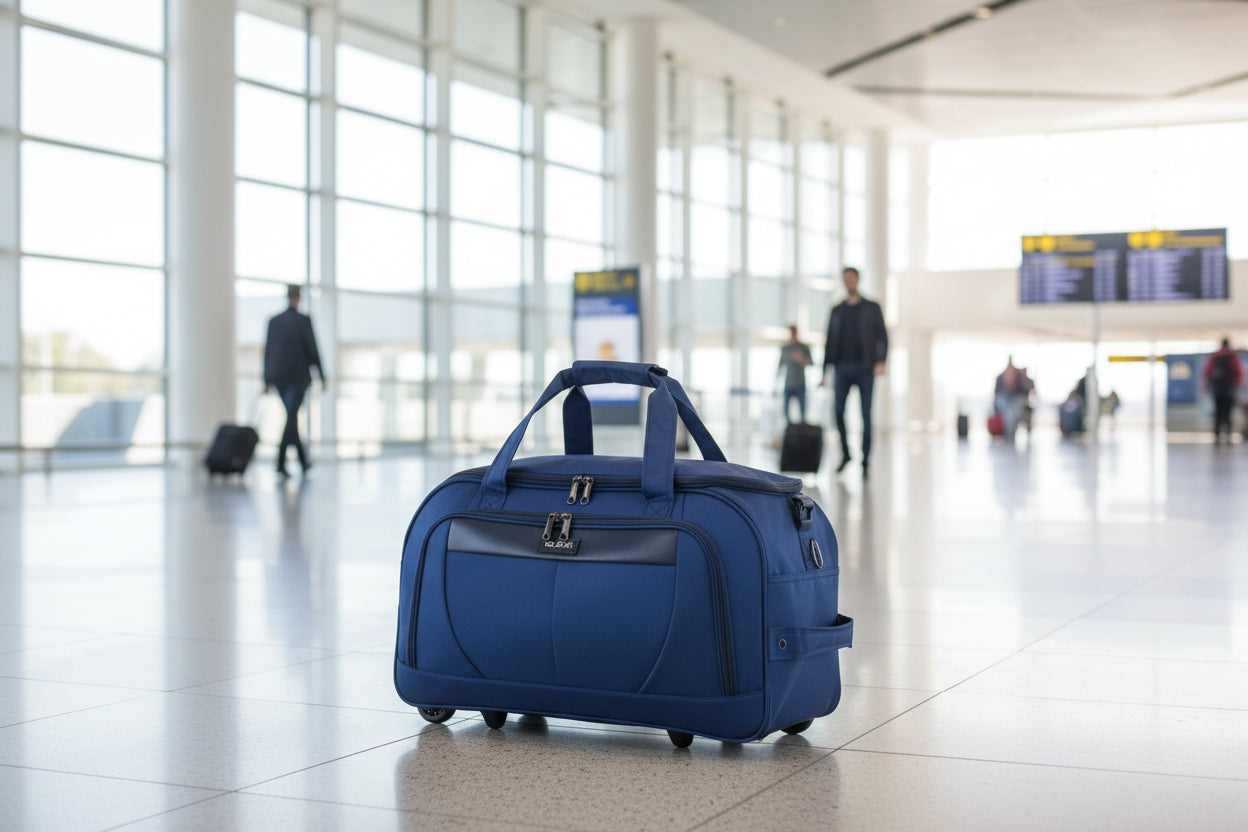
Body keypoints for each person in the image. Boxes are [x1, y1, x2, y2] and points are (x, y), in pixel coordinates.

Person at [820, 267, 888, 478]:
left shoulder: (872, 307)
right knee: (838, 411)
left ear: (858, 280)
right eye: (845, 279)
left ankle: (865, 460)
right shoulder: (837, 310)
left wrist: (881, 361)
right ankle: (846, 454)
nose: (848, 282)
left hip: (866, 368)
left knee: (865, 415)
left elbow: (882, 336)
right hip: (842, 367)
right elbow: (830, 341)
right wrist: (824, 372)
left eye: (851, 278)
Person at [264, 284, 326, 477]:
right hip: (298, 379)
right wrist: (321, 375)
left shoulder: (274, 321)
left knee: (291, 417)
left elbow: (268, 352)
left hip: (279, 378)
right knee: (291, 418)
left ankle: (302, 461)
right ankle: (281, 462)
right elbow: (312, 349)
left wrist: (266, 379)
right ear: (299, 298)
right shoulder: (304, 321)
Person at [1202, 337, 1244, 443]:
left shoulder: (1214, 356)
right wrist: (1239, 385)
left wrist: (1205, 386)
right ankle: (1228, 435)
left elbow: (1207, 372)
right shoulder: (1233, 356)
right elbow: (1238, 371)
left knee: (1217, 412)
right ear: (1229, 344)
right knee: (1228, 412)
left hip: (1217, 389)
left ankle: (1216, 435)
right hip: (1229, 389)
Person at [777, 324, 813, 423]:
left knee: (803, 412)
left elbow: (811, 363)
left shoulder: (804, 348)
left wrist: (802, 360)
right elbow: (779, 366)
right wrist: (775, 385)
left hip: (800, 384)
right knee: (786, 412)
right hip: (788, 384)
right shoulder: (785, 349)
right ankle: (789, 433)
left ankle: (802, 431)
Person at [994, 357, 1026, 441]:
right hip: (1005, 398)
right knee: (1007, 417)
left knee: (1015, 416)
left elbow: (1023, 387)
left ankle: (1012, 434)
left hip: (1015, 397)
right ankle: (1007, 434)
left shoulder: (1018, 375)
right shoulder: (1001, 376)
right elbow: (997, 390)